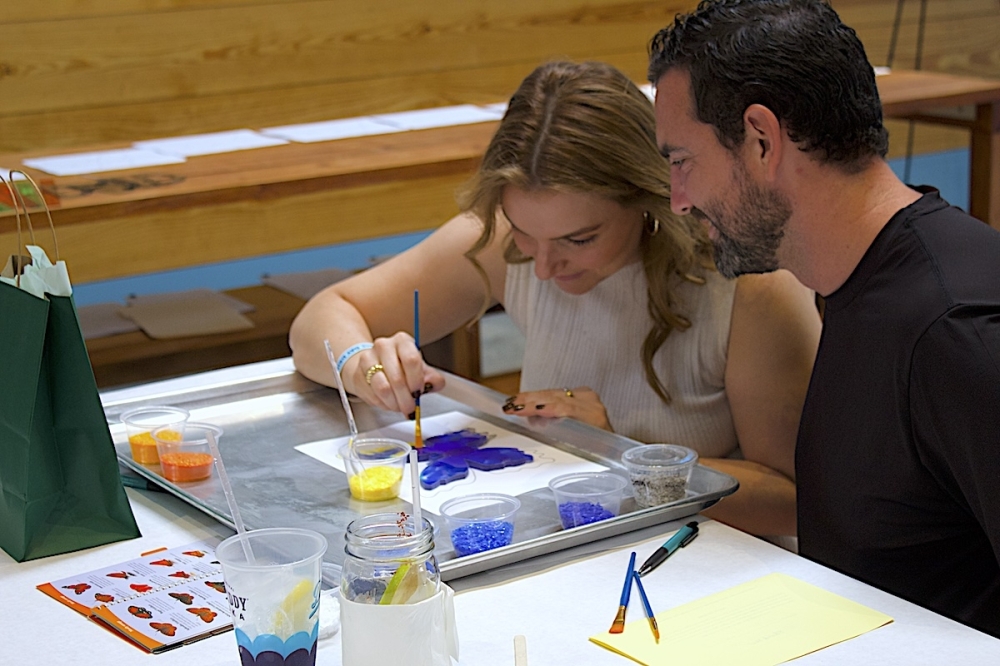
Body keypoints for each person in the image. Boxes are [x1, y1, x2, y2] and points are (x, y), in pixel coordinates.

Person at [289, 60, 820, 539]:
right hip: (569, 549)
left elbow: (798, 503)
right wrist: (362, 368)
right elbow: (323, 317)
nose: (543, 266)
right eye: (524, 232)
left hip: (707, 566)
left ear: (649, 197)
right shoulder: (505, 244)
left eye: (579, 239)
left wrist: (621, 456)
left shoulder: (751, 283)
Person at [649, 0, 1000, 636]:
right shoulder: (851, 283)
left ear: (760, 139)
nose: (677, 201)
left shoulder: (956, 330)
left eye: (681, 162)